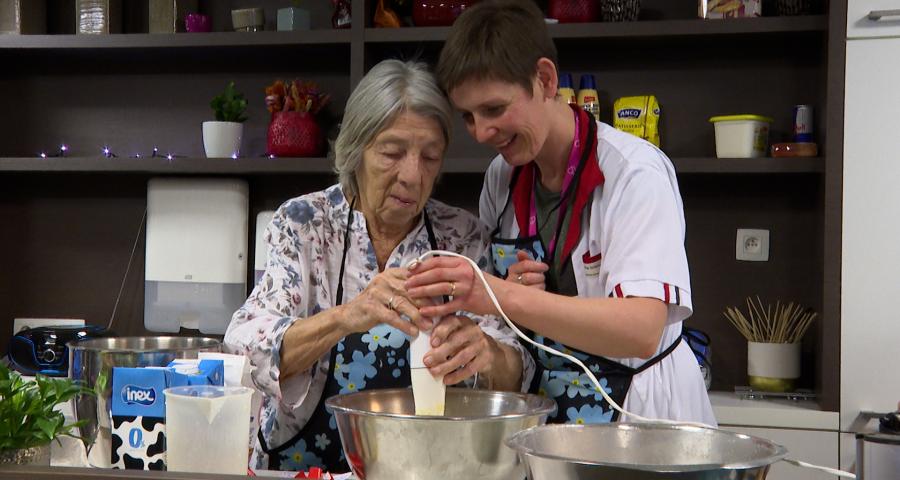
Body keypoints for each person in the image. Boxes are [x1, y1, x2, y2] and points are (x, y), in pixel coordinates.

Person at [404, 0, 716, 426]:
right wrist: (512, 299)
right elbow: (520, 316)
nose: (481, 133)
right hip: (550, 414)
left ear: (545, 80)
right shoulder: (502, 177)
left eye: (494, 109)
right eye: (468, 117)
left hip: (641, 414)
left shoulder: (633, 173)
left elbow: (641, 329)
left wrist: (498, 294)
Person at [224, 59, 531, 473]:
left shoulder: (462, 237)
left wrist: (487, 354)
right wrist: (347, 317)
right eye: (392, 153)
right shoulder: (303, 224)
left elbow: (517, 371)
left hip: (422, 468)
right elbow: (242, 346)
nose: (412, 175)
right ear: (356, 150)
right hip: (296, 465)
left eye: (430, 157)